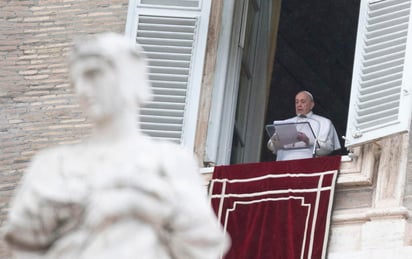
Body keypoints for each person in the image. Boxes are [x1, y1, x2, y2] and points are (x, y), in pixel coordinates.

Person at [3, 33, 229, 259]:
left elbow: (205, 246)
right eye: (76, 80)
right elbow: (21, 246)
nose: (82, 89)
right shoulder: (50, 164)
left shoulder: (170, 161)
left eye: (93, 74)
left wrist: (138, 205)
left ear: (129, 76)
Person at [267, 90, 341, 161]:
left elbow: (328, 149)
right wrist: (277, 140)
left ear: (311, 105)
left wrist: (307, 140)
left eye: (303, 102)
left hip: (309, 165)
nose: (299, 105)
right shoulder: (286, 122)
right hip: (285, 164)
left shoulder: (324, 122)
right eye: (297, 102)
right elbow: (271, 146)